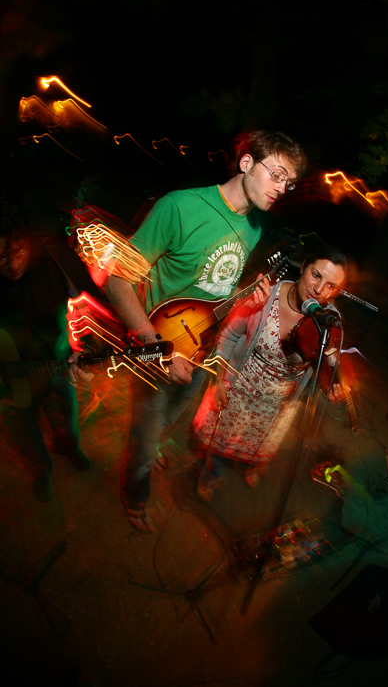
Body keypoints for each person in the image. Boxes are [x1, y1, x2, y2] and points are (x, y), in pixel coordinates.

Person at [70, 131, 307, 531]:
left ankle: (151, 450)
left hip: (201, 352)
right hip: (156, 351)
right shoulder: (180, 206)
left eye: (290, 183)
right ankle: (136, 493)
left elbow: (215, 292)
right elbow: (117, 281)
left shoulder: (252, 228)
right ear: (247, 163)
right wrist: (160, 350)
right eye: (278, 175)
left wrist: (244, 302)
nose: (283, 188)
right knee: (145, 439)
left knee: (170, 419)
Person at [192, 245, 348, 501]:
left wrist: (330, 385)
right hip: (239, 388)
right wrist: (219, 380)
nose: (319, 290)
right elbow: (229, 335)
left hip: (279, 403)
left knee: (260, 444)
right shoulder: (266, 295)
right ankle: (209, 475)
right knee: (220, 444)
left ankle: (249, 465)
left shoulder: (329, 319)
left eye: (331, 286)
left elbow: (322, 365)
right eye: (316, 275)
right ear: (304, 264)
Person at [0, 186, 100, 502]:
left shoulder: (55, 258)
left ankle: (70, 448)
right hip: (9, 383)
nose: (11, 265)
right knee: (24, 433)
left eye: (17, 253)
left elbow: (99, 310)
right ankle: (41, 471)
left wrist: (89, 351)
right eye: (0, 256)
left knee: (66, 418)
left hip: (55, 363)